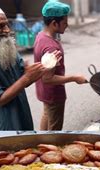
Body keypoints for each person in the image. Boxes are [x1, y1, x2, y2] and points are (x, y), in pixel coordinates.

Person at [0, 2, 47, 130]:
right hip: (2, 125)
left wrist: (45, 66)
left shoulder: (7, 48)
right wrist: (27, 77)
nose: (7, 30)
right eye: (0, 26)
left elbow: (23, 78)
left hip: (21, 114)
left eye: (7, 24)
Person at [34, 0, 87, 131]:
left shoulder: (41, 36)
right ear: (54, 23)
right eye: (64, 22)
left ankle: (40, 140)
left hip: (44, 92)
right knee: (54, 130)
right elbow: (48, 78)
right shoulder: (51, 47)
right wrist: (74, 78)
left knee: (46, 114)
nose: (67, 25)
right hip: (53, 94)